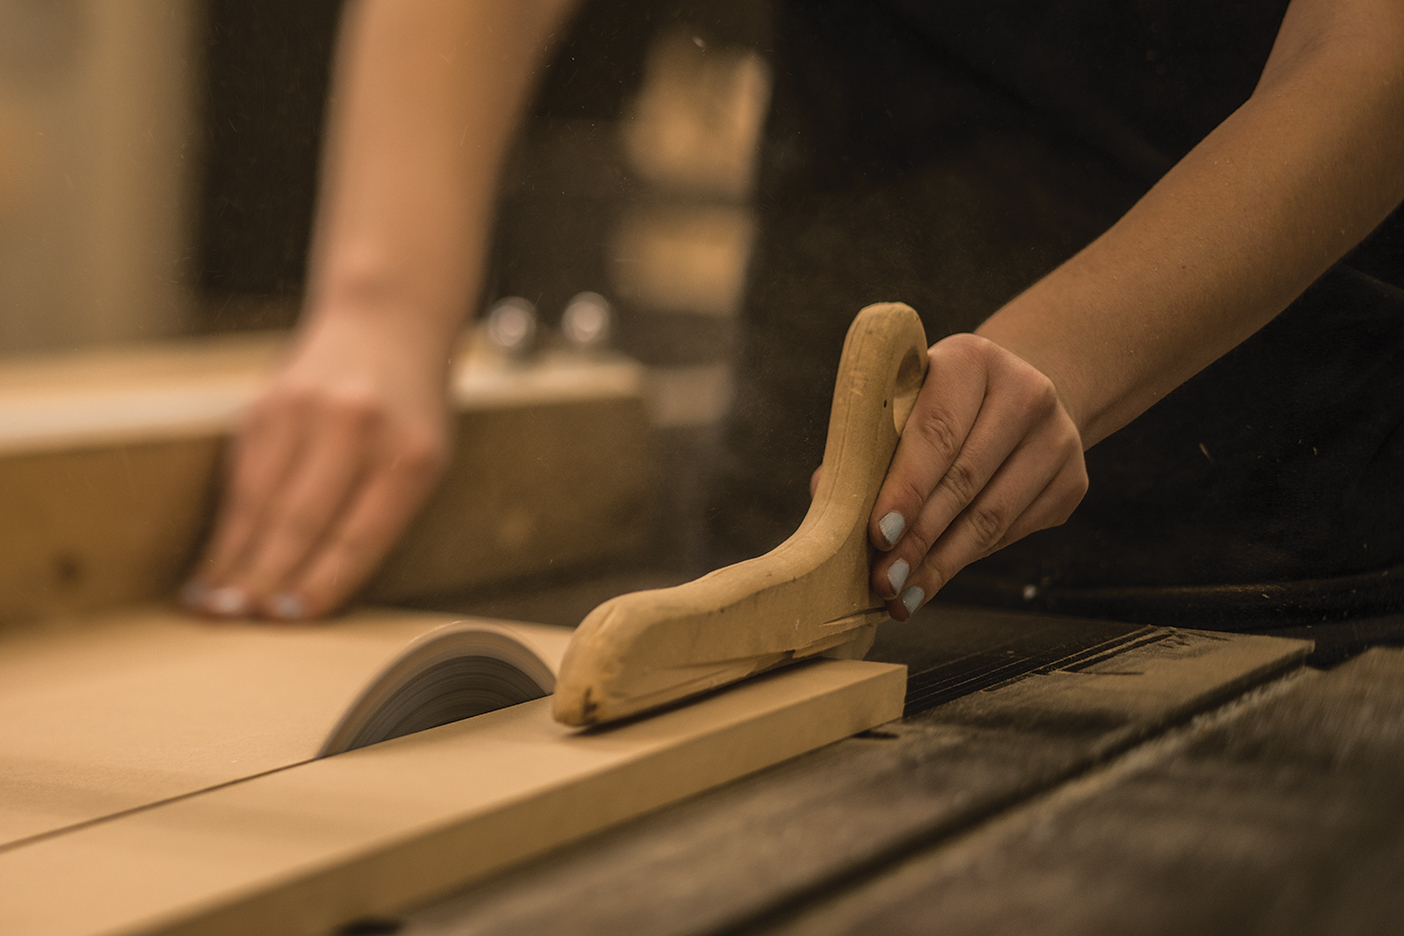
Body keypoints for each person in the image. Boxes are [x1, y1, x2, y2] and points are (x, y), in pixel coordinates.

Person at [182, 0, 1404, 626]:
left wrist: (1065, 355)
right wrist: (381, 306)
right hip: (811, 517)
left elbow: (1367, 52)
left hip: (1265, 550)